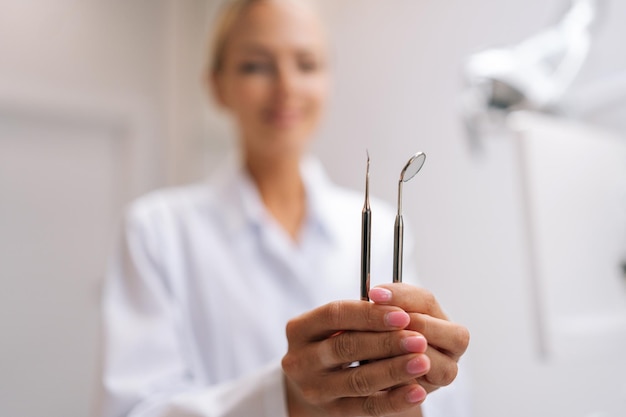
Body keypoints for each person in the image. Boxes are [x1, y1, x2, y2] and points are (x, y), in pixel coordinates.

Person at [94, 0, 470, 416]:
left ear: (328, 79)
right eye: (256, 66)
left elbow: (447, 406)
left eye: (306, 64)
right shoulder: (157, 231)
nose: (286, 87)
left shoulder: (379, 228)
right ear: (217, 85)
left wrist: (419, 384)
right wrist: (283, 399)